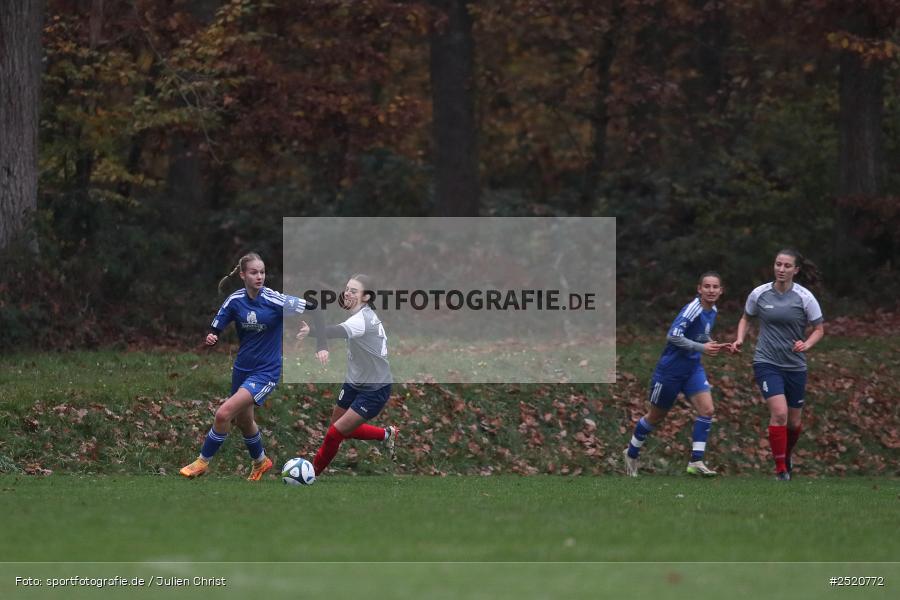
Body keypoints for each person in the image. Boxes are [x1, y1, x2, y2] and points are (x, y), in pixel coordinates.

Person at [179, 252, 328, 481]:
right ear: (242, 275)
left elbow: (316, 308)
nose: (259, 276)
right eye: (254, 272)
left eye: (262, 272)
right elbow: (216, 325)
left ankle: (202, 462)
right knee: (243, 420)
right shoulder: (235, 300)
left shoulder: (275, 300)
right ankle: (261, 462)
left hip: (266, 370)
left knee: (223, 414)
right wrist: (212, 336)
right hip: (242, 368)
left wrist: (321, 344)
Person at [623, 272, 731, 477]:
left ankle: (696, 461)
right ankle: (631, 453)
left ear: (720, 290)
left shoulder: (713, 310)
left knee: (707, 410)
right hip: (670, 371)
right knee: (655, 417)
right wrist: (701, 347)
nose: (711, 290)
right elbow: (673, 336)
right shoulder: (693, 309)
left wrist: (717, 346)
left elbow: (700, 336)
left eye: (715, 287)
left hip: (692, 369)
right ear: (699, 289)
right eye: (706, 286)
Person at [729, 249, 824, 481]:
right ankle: (781, 470)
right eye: (778, 264)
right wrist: (740, 338)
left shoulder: (805, 297)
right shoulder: (759, 294)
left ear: (795, 270)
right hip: (766, 362)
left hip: (795, 365)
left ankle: (786, 455)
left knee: (793, 422)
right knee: (779, 414)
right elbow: (745, 318)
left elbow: (819, 329)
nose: (781, 269)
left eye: (787, 266)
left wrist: (807, 344)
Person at [296, 274, 397, 476]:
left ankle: (310, 474)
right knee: (340, 428)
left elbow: (336, 331)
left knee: (335, 433)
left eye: (354, 291)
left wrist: (313, 332)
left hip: (375, 389)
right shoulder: (359, 314)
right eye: (347, 289)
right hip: (354, 383)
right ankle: (386, 434)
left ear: (366, 297)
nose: (347, 293)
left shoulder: (362, 320)